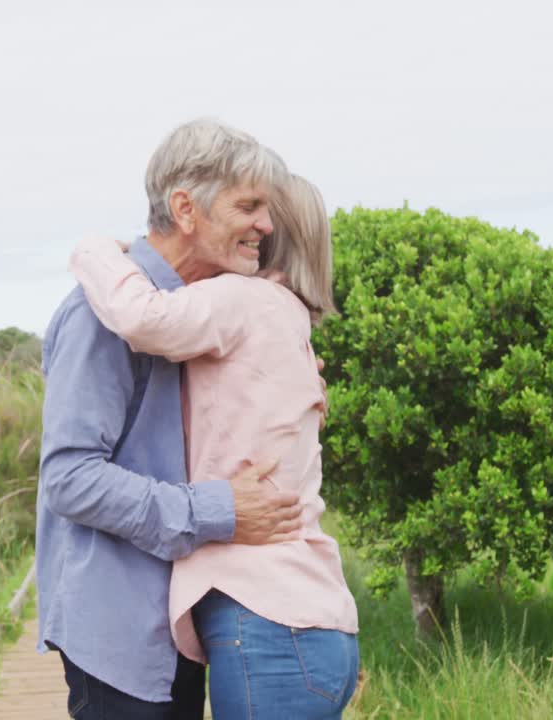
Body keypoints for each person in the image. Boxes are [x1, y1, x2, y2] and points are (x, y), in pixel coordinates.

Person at [35, 119, 307, 720]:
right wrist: (219, 510)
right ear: (186, 208)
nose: (266, 224)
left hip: (180, 621)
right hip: (121, 633)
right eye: (249, 206)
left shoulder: (193, 316)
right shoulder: (97, 319)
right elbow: (70, 478)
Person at [68, 174, 359, 719]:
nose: (253, 224)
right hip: (313, 627)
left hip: (267, 621)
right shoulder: (287, 320)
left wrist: (96, 250)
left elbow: (142, 316)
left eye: (256, 212)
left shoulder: (242, 299)